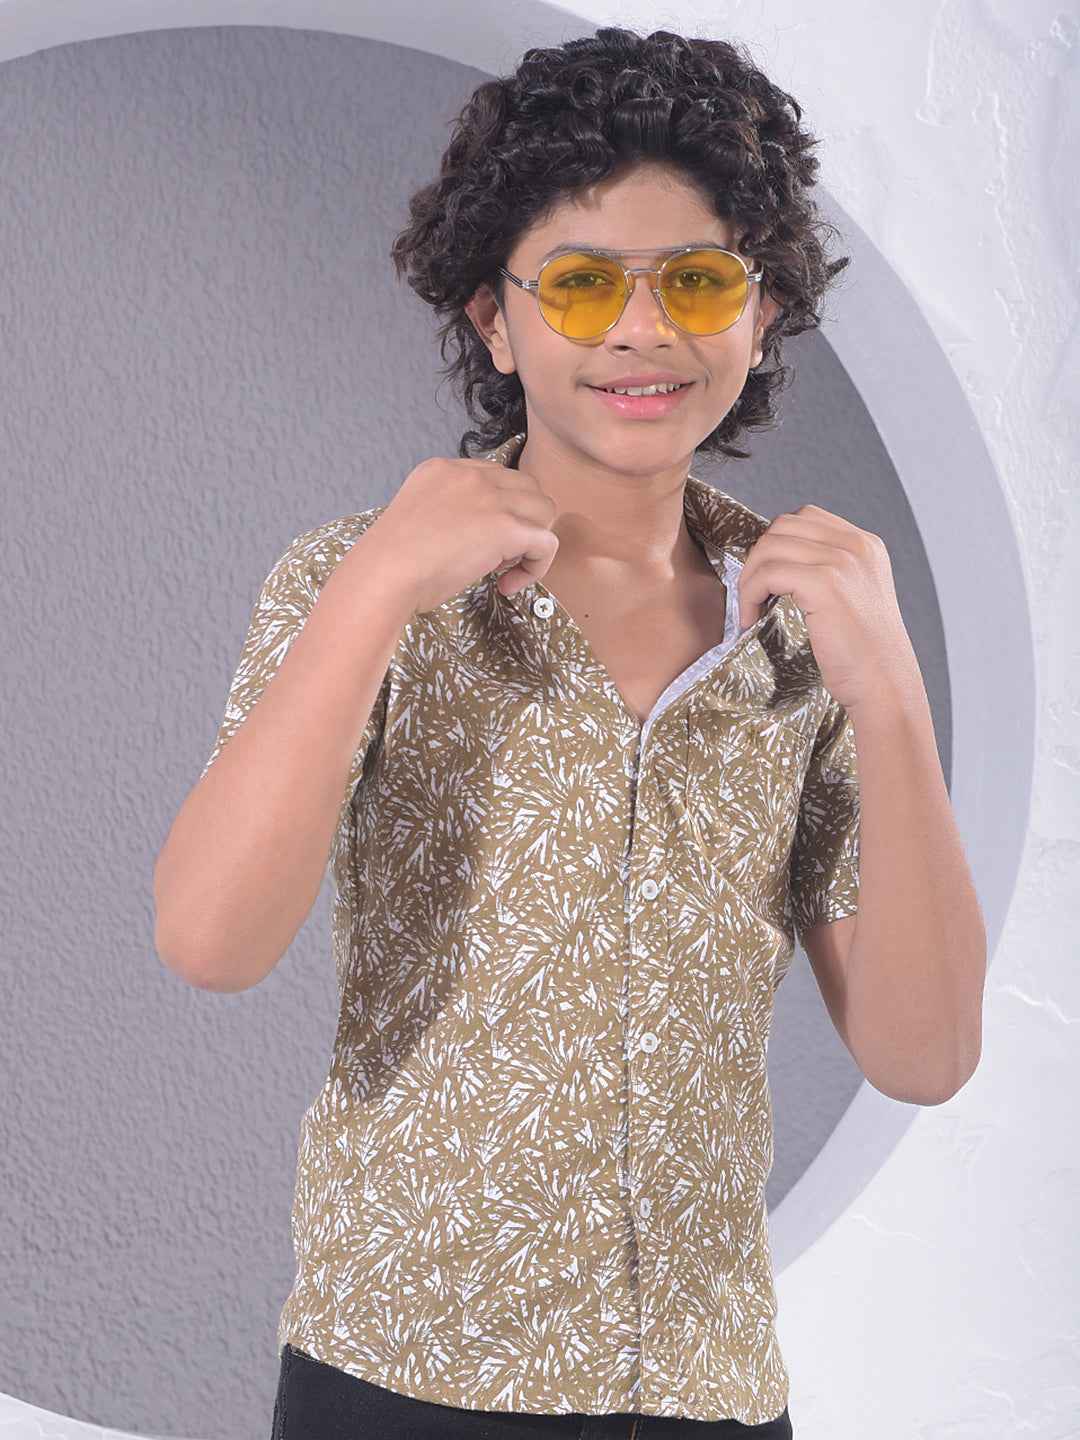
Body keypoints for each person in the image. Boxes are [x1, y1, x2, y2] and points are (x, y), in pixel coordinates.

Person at [154, 23, 986, 1440]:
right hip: (400, 1380)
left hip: (707, 1394)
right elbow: (209, 942)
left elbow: (925, 1054)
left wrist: (892, 690)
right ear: (497, 319)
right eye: (585, 284)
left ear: (765, 311)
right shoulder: (355, 581)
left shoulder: (806, 632)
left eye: (699, 280)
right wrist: (374, 593)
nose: (643, 331)